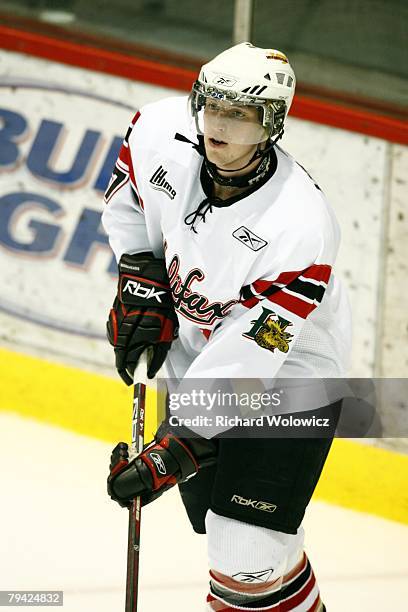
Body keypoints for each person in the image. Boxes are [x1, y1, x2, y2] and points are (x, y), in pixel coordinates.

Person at [103, 43, 351, 611]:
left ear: (271, 124)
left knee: (244, 549)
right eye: (211, 104)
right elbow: (130, 197)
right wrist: (141, 273)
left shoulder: (300, 226)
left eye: (238, 113)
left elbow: (253, 353)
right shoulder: (159, 129)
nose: (217, 123)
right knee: (233, 540)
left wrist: (181, 441)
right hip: (199, 355)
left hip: (291, 373)